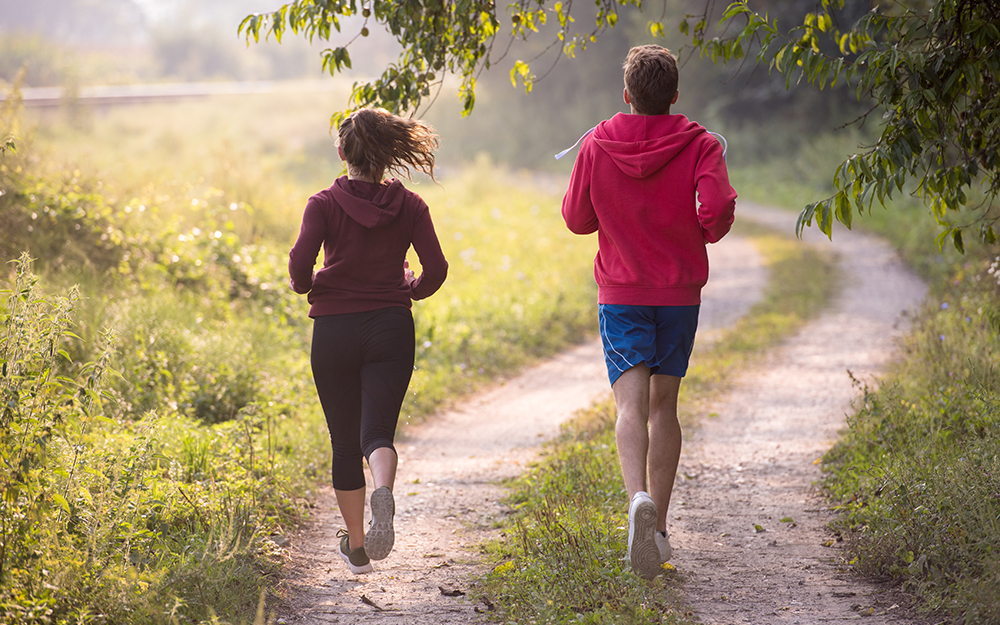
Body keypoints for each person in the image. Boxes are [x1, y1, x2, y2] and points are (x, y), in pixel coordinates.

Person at [560, 44, 737, 579]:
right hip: (678, 295)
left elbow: (575, 217)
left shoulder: (597, 143)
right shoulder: (701, 143)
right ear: (674, 96)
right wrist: (705, 231)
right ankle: (657, 530)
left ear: (627, 94)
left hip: (621, 294)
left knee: (629, 407)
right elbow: (719, 206)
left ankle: (636, 498)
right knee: (665, 407)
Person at [288, 108, 448, 575]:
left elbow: (300, 274)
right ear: (387, 155)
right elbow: (435, 270)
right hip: (390, 327)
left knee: (343, 443)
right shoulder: (412, 207)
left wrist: (318, 278)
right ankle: (384, 491)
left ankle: (357, 547)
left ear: (342, 154)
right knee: (376, 433)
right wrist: (409, 288)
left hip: (334, 330)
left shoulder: (322, 204)